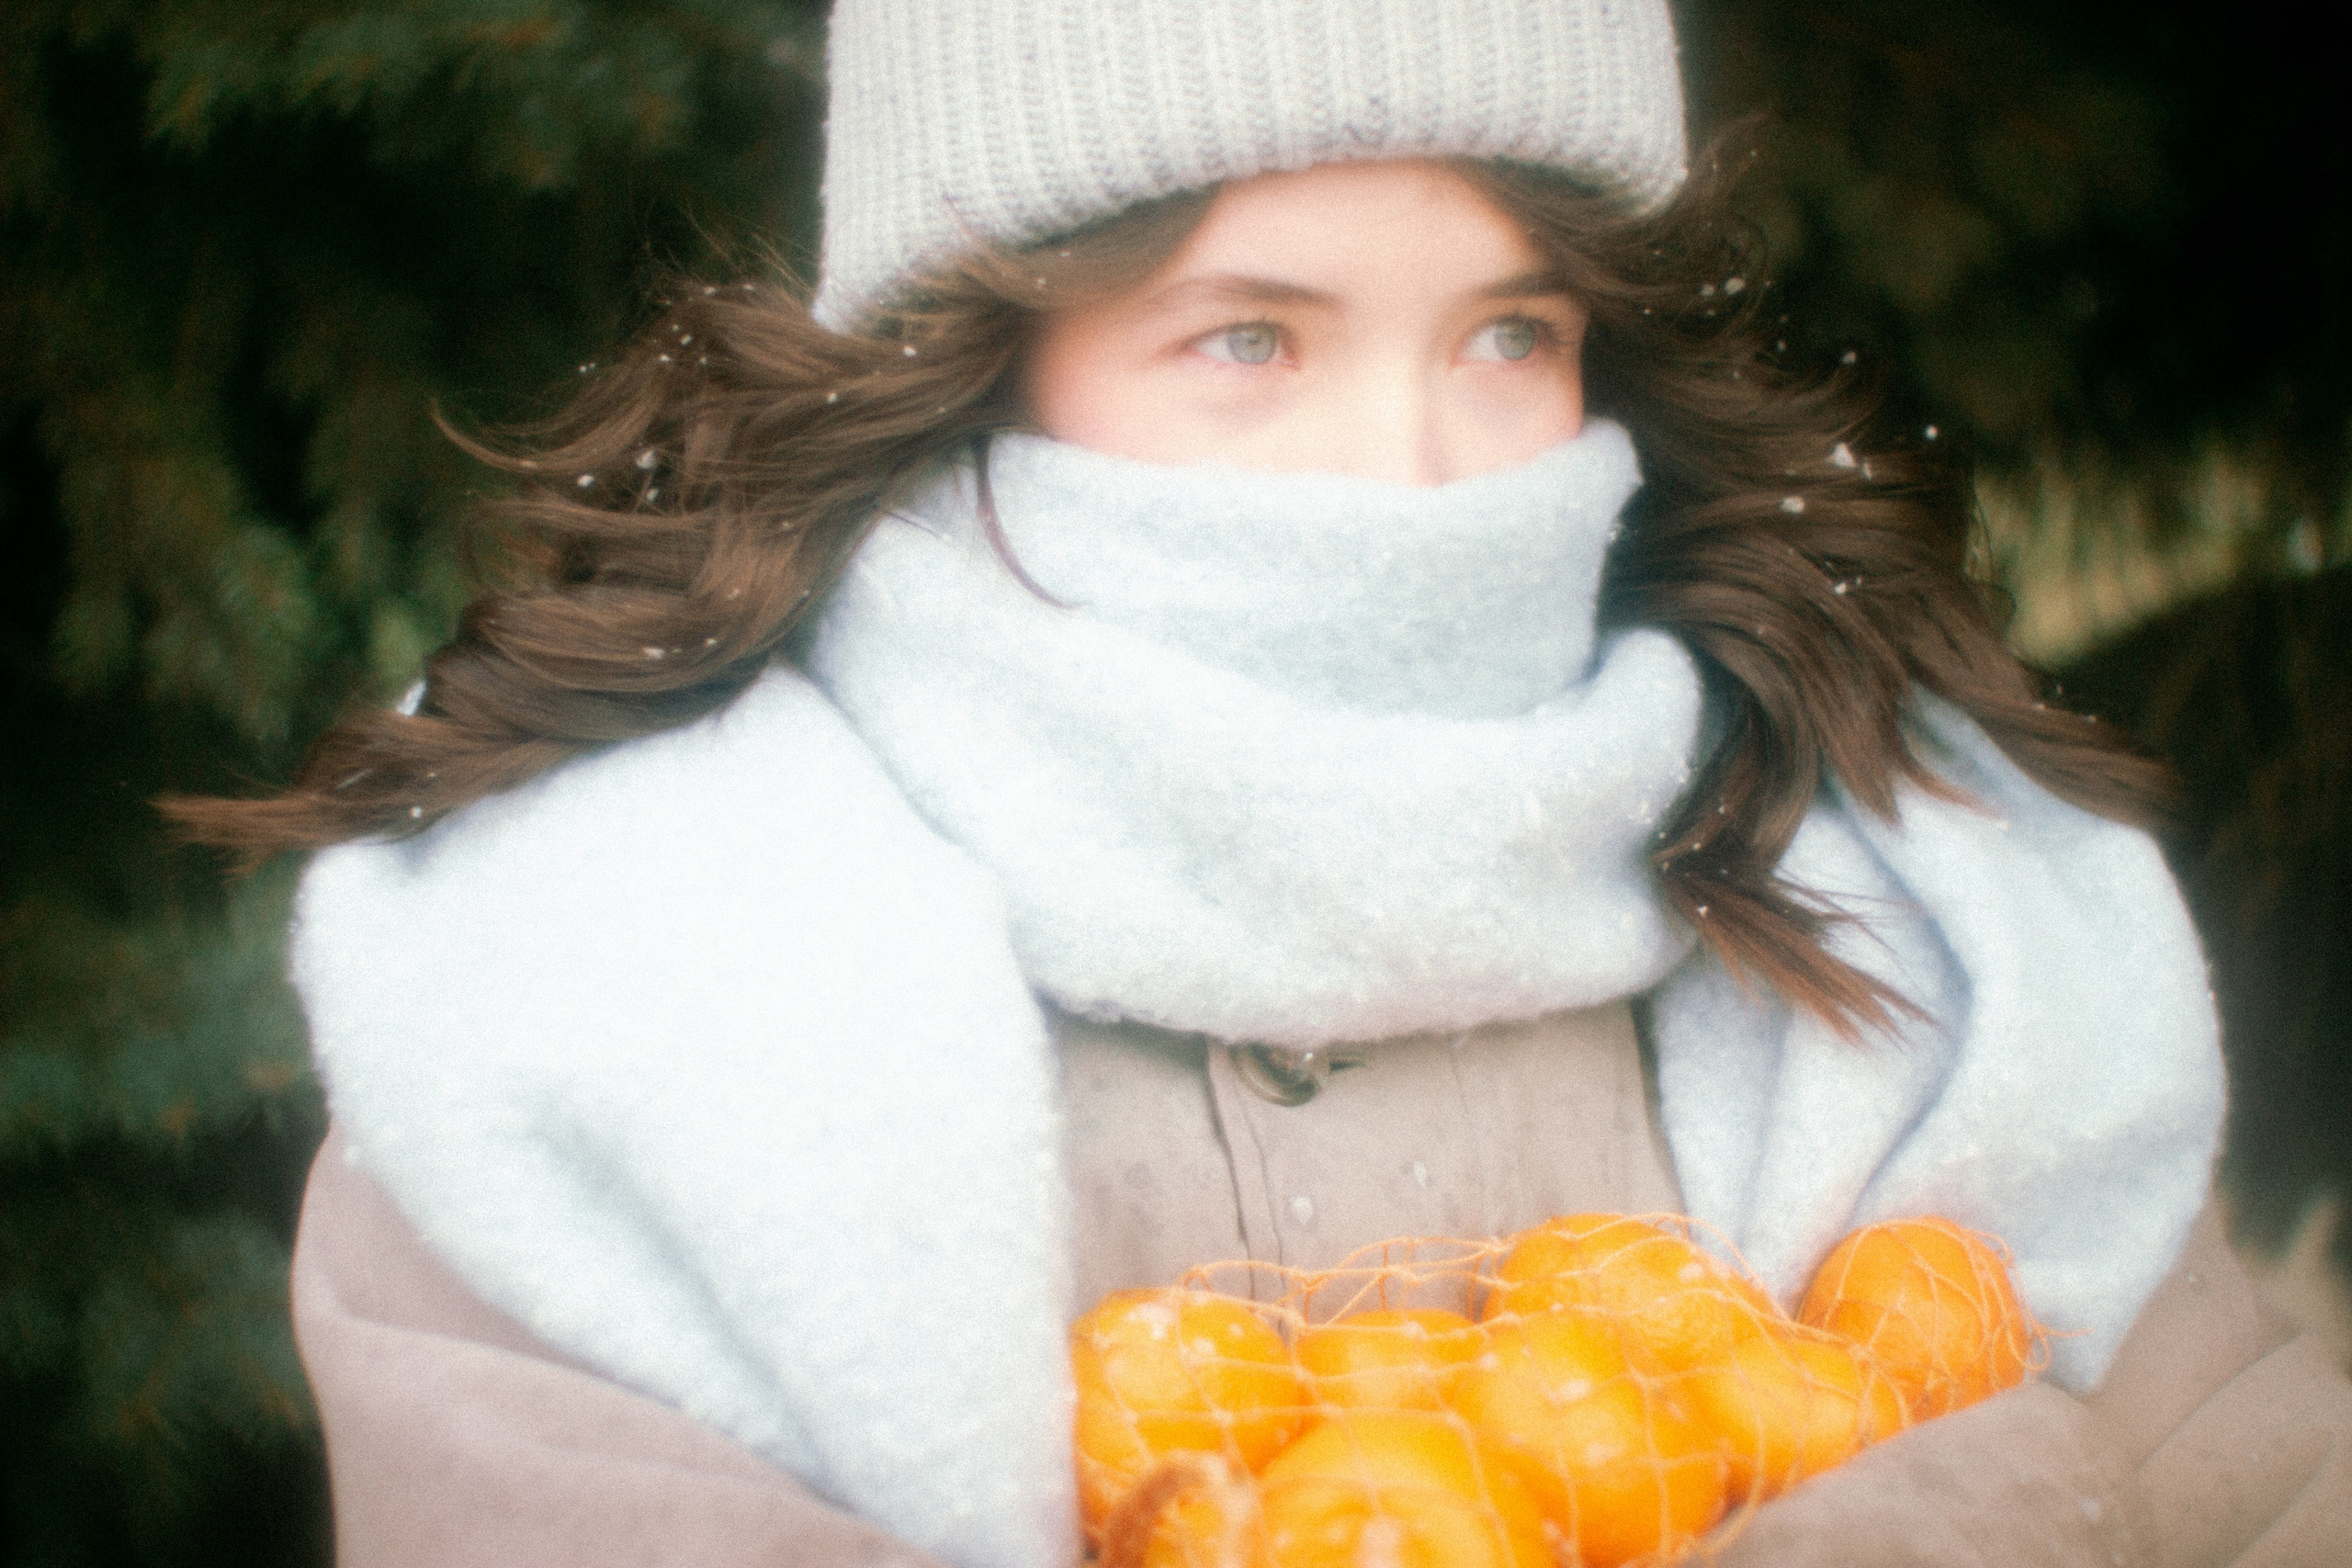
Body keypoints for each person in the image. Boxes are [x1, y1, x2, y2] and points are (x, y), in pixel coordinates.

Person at [171, 2, 2351, 1564]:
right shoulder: (599, 990)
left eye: (1508, 333)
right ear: (974, 354)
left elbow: (2257, 1474)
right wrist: (1971, 1496)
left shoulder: (1900, 900)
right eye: (1246, 338)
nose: (1407, 478)